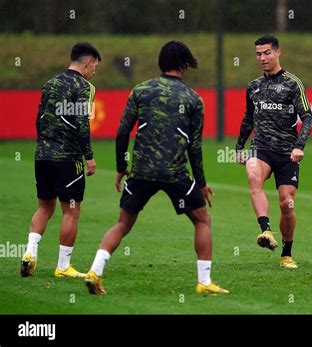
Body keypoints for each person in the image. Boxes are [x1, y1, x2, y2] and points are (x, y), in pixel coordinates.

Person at [84, 41, 228, 295]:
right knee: (202, 220)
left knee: (122, 224)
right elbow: (195, 147)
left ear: (161, 62)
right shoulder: (193, 99)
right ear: (184, 64)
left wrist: (121, 167)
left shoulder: (140, 90)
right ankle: (204, 283)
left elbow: (121, 133)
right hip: (175, 174)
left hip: (141, 171)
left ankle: (95, 271)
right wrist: (202, 183)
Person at [21, 42, 100, 278]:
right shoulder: (84, 87)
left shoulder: (50, 83)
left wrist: (46, 143)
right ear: (87, 63)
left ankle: (29, 254)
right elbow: (82, 123)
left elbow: (39, 119)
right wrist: (89, 156)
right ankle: (63, 266)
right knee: (71, 211)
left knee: (44, 206)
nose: (94, 71)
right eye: (94, 66)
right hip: (68, 159)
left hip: (43, 155)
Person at [235, 35, 312, 269]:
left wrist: (299, 146)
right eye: (258, 54)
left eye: (267, 53)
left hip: (287, 153)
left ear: (278, 52)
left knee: (286, 203)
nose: (262, 58)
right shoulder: (253, 86)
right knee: (253, 175)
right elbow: (248, 118)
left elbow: (307, 117)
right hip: (261, 148)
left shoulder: (293, 83)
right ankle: (266, 231)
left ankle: (286, 254)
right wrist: (240, 147)